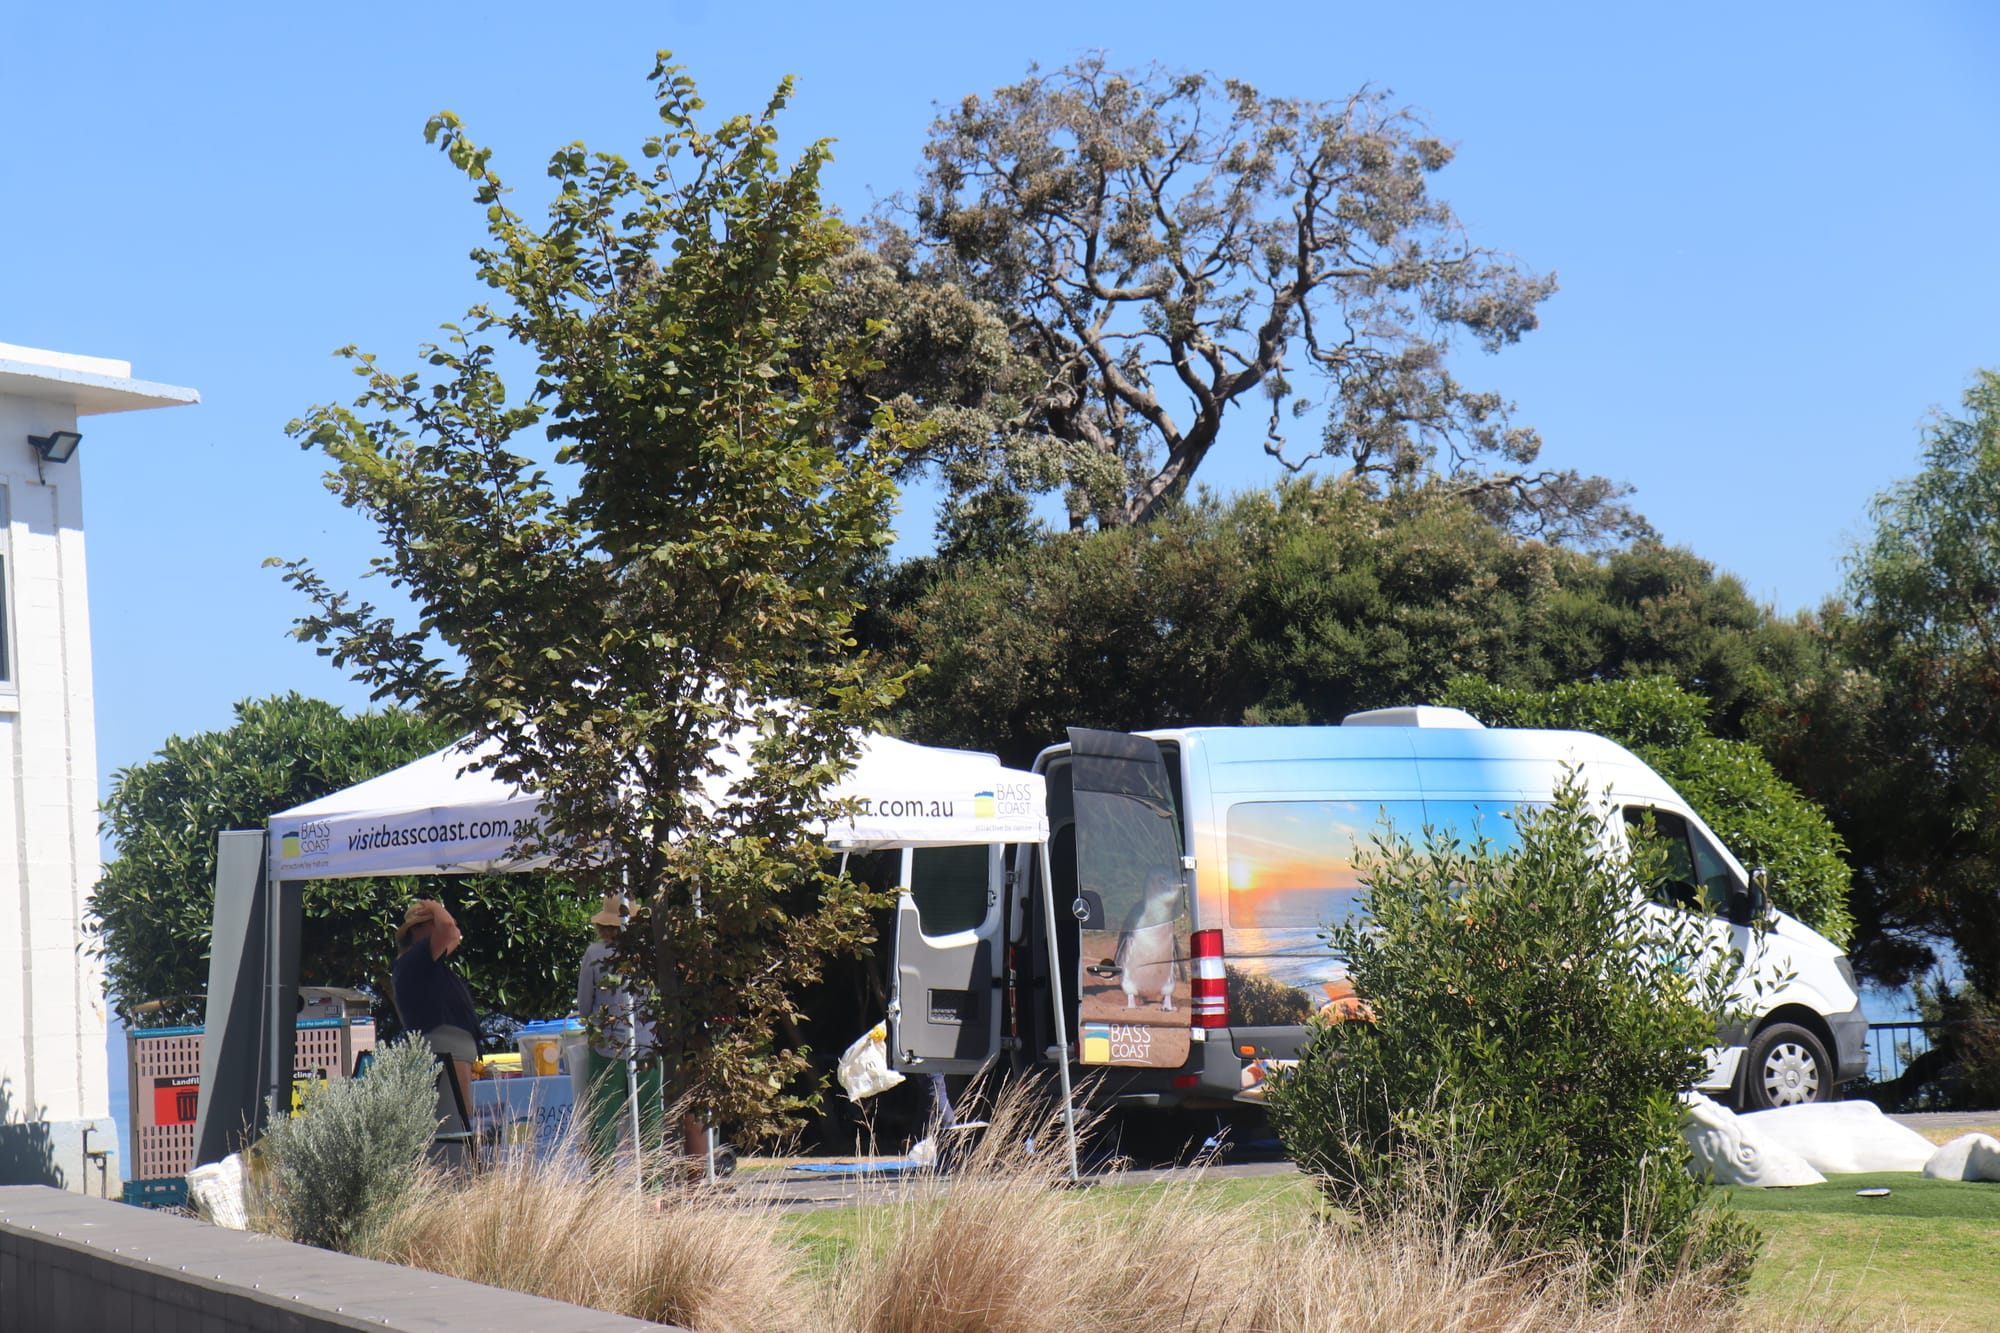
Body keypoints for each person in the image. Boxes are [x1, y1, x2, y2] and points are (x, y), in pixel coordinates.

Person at [576, 893, 666, 1172]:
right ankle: (654, 1187)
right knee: (650, 1118)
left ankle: (600, 1184)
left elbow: (584, 1005)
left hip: (607, 1045)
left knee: (603, 1119)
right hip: (647, 1046)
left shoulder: (594, 953)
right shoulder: (650, 954)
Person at [391, 899, 480, 1120]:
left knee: (458, 1117)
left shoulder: (422, 961)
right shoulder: (413, 959)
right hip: (445, 1047)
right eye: (432, 923)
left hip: (452, 1049)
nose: (438, 927)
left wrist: (437, 913)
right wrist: (433, 906)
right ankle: (456, 1157)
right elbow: (450, 931)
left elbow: (453, 935)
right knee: (456, 1119)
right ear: (417, 930)